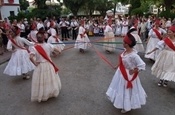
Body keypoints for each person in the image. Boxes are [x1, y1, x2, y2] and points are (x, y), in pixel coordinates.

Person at [106, 32, 147, 113]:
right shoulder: (125, 51)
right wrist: (117, 66)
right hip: (120, 72)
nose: (122, 43)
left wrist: (135, 70)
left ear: (127, 44)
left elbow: (142, 65)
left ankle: (126, 106)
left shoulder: (134, 55)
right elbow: (122, 60)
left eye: (123, 42)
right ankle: (120, 102)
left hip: (128, 75)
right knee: (119, 87)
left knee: (126, 90)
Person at [29, 32, 61, 102]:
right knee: (50, 78)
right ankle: (51, 92)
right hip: (48, 64)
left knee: (41, 80)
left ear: (37, 39)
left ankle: (42, 94)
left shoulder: (34, 47)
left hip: (40, 65)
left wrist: (35, 63)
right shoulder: (48, 45)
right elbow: (57, 51)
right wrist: (57, 53)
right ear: (44, 38)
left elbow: (30, 57)